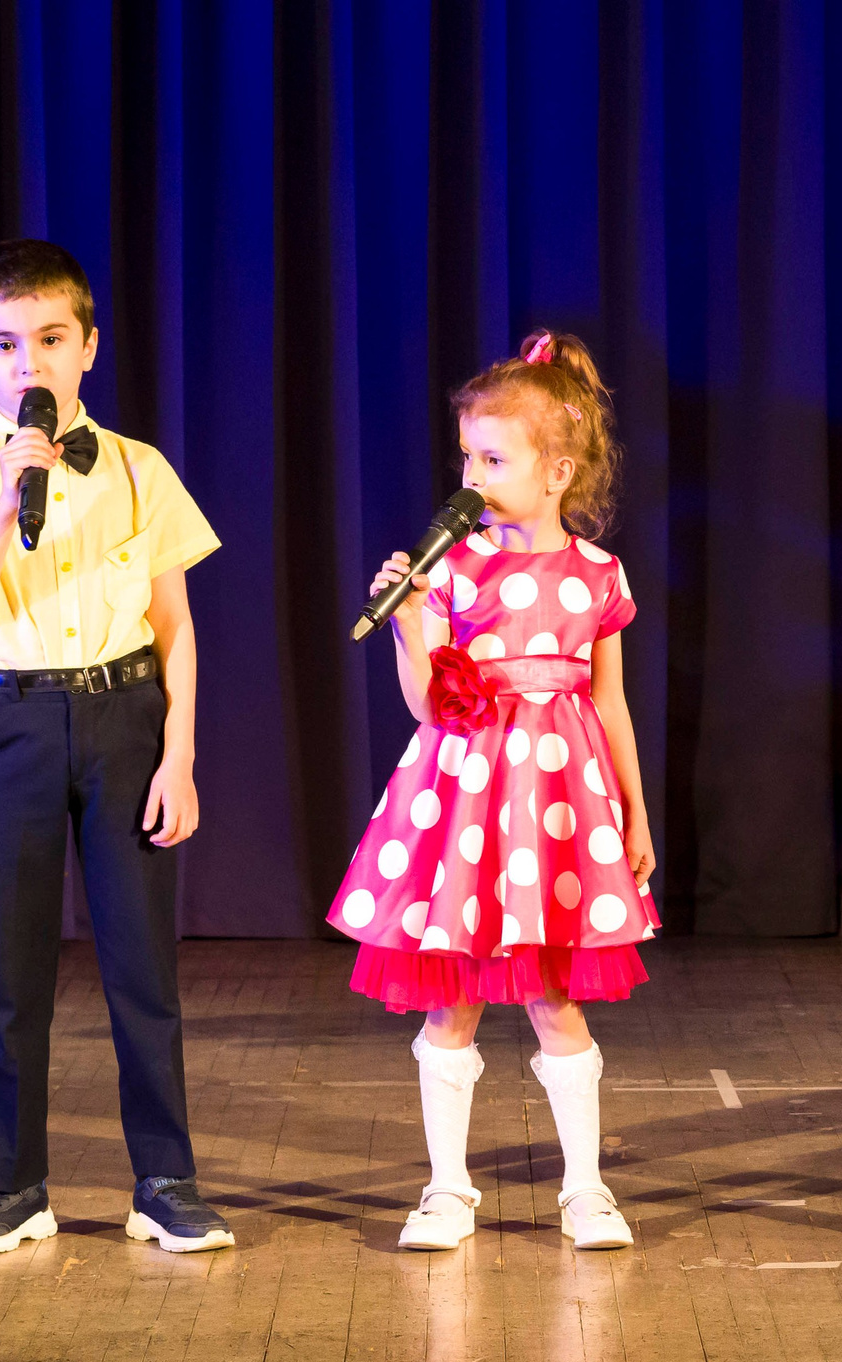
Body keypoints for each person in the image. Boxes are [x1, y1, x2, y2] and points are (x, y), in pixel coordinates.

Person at [0, 239, 233, 1255]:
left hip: (125, 716)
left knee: (142, 967)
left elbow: (174, 623)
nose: (29, 363)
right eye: (4, 344)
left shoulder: (139, 468)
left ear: (87, 346)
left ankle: (164, 1182)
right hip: (11, 722)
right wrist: (11, 494)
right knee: (12, 970)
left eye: (49, 339)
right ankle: (11, 1186)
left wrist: (177, 754)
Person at [328, 330, 658, 1254]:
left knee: (557, 995)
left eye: (493, 457)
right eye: (466, 454)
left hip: (557, 809)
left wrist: (635, 812)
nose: (471, 474)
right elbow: (428, 704)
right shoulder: (452, 568)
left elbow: (611, 703)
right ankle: (444, 1188)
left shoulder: (598, 575)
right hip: (463, 803)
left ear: (557, 471)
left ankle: (586, 1190)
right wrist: (413, 622)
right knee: (453, 996)